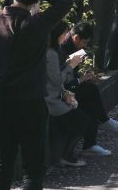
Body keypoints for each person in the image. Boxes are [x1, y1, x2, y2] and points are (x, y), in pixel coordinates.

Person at [0, 0, 73, 190]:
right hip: (32, 102)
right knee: (33, 168)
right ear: (35, 1)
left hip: (2, 102)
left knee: (2, 164)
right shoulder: (37, 24)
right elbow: (65, 1)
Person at [46, 22, 110, 165]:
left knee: (85, 109)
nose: (65, 37)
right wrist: (71, 66)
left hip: (57, 95)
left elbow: (60, 80)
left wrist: (74, 75)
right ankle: (65, 156)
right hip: (51, 100)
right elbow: (57, 81)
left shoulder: (55, 51)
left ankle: (101, 126)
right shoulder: (51, 53)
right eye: (64, 34)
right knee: (80, 119)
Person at [59, 22, 118, 132]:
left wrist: (81, 78)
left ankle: (93, 139)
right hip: (62, 90)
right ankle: (103, 122)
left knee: (91, 96)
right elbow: (61, 78)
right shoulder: (62, 50)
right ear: (76, 38)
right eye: (84, 42)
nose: (85, 46)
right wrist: (79, 80)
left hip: (68, 86)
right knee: (90, 93)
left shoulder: (70, 47)